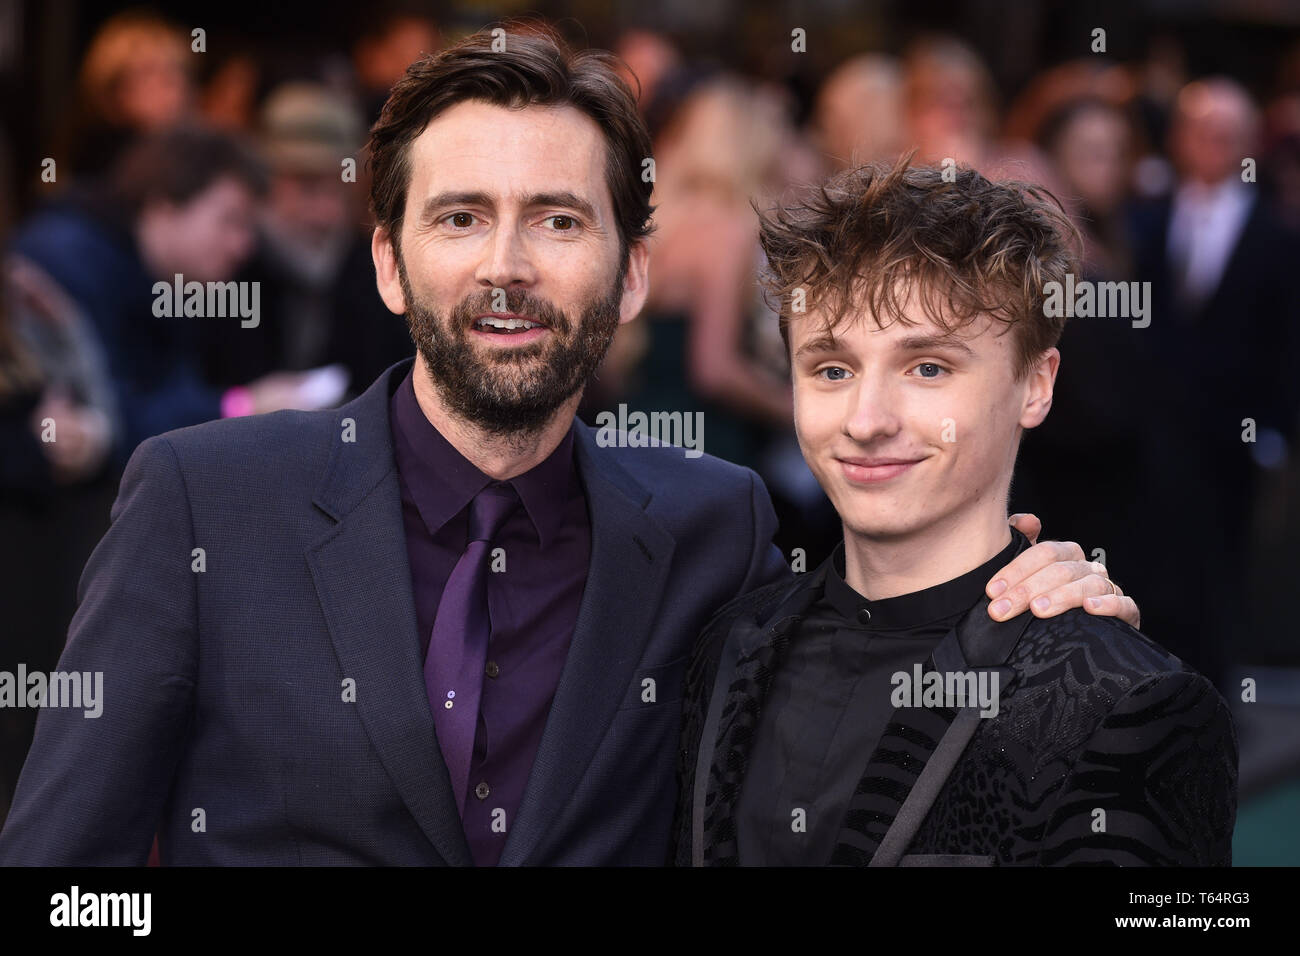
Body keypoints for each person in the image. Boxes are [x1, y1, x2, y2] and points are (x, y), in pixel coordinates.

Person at [0, 26, 1133, 867]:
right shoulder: (207, 497)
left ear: (630, 272)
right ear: (391, 264)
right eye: (459, 217)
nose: (506, 263)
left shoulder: (712, 521)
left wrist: (1031, 606)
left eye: (556, 217)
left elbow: (861, 707)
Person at [676, 159, 1237, 867]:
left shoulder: (1130, 702)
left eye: (928, 367)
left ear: (1035, 385)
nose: (867, 419)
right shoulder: (726, 646)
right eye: (832, 369)